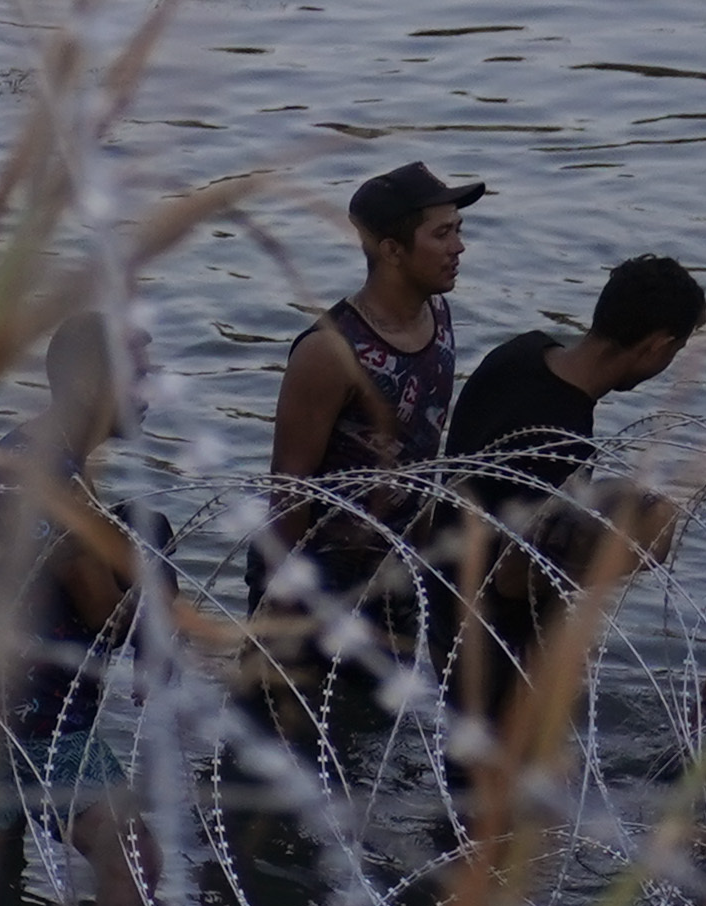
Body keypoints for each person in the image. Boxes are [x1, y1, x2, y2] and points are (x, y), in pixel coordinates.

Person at [0, 311, 163, 906]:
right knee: (135, 865)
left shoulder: (18, 455)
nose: (148, 391)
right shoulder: (62, 491)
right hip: (45, 732)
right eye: (136, 375)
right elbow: (111, 614)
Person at [253, 160, 478, 761]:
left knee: (364, 752)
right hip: (314, 584)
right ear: (391, 249)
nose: (459, 247)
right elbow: (289, 488)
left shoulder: (440, 316)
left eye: (458, 230)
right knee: (274, 754)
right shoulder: (331, 351)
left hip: (393, 578)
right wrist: (277, 609)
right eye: (442, 234)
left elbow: (422, 448)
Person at [447, 250, 698, 732]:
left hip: (444, 597)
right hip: (493, 643)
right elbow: (512, 577)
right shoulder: (562, 439)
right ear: (656, 347)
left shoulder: (519, 354)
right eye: (674, 351)